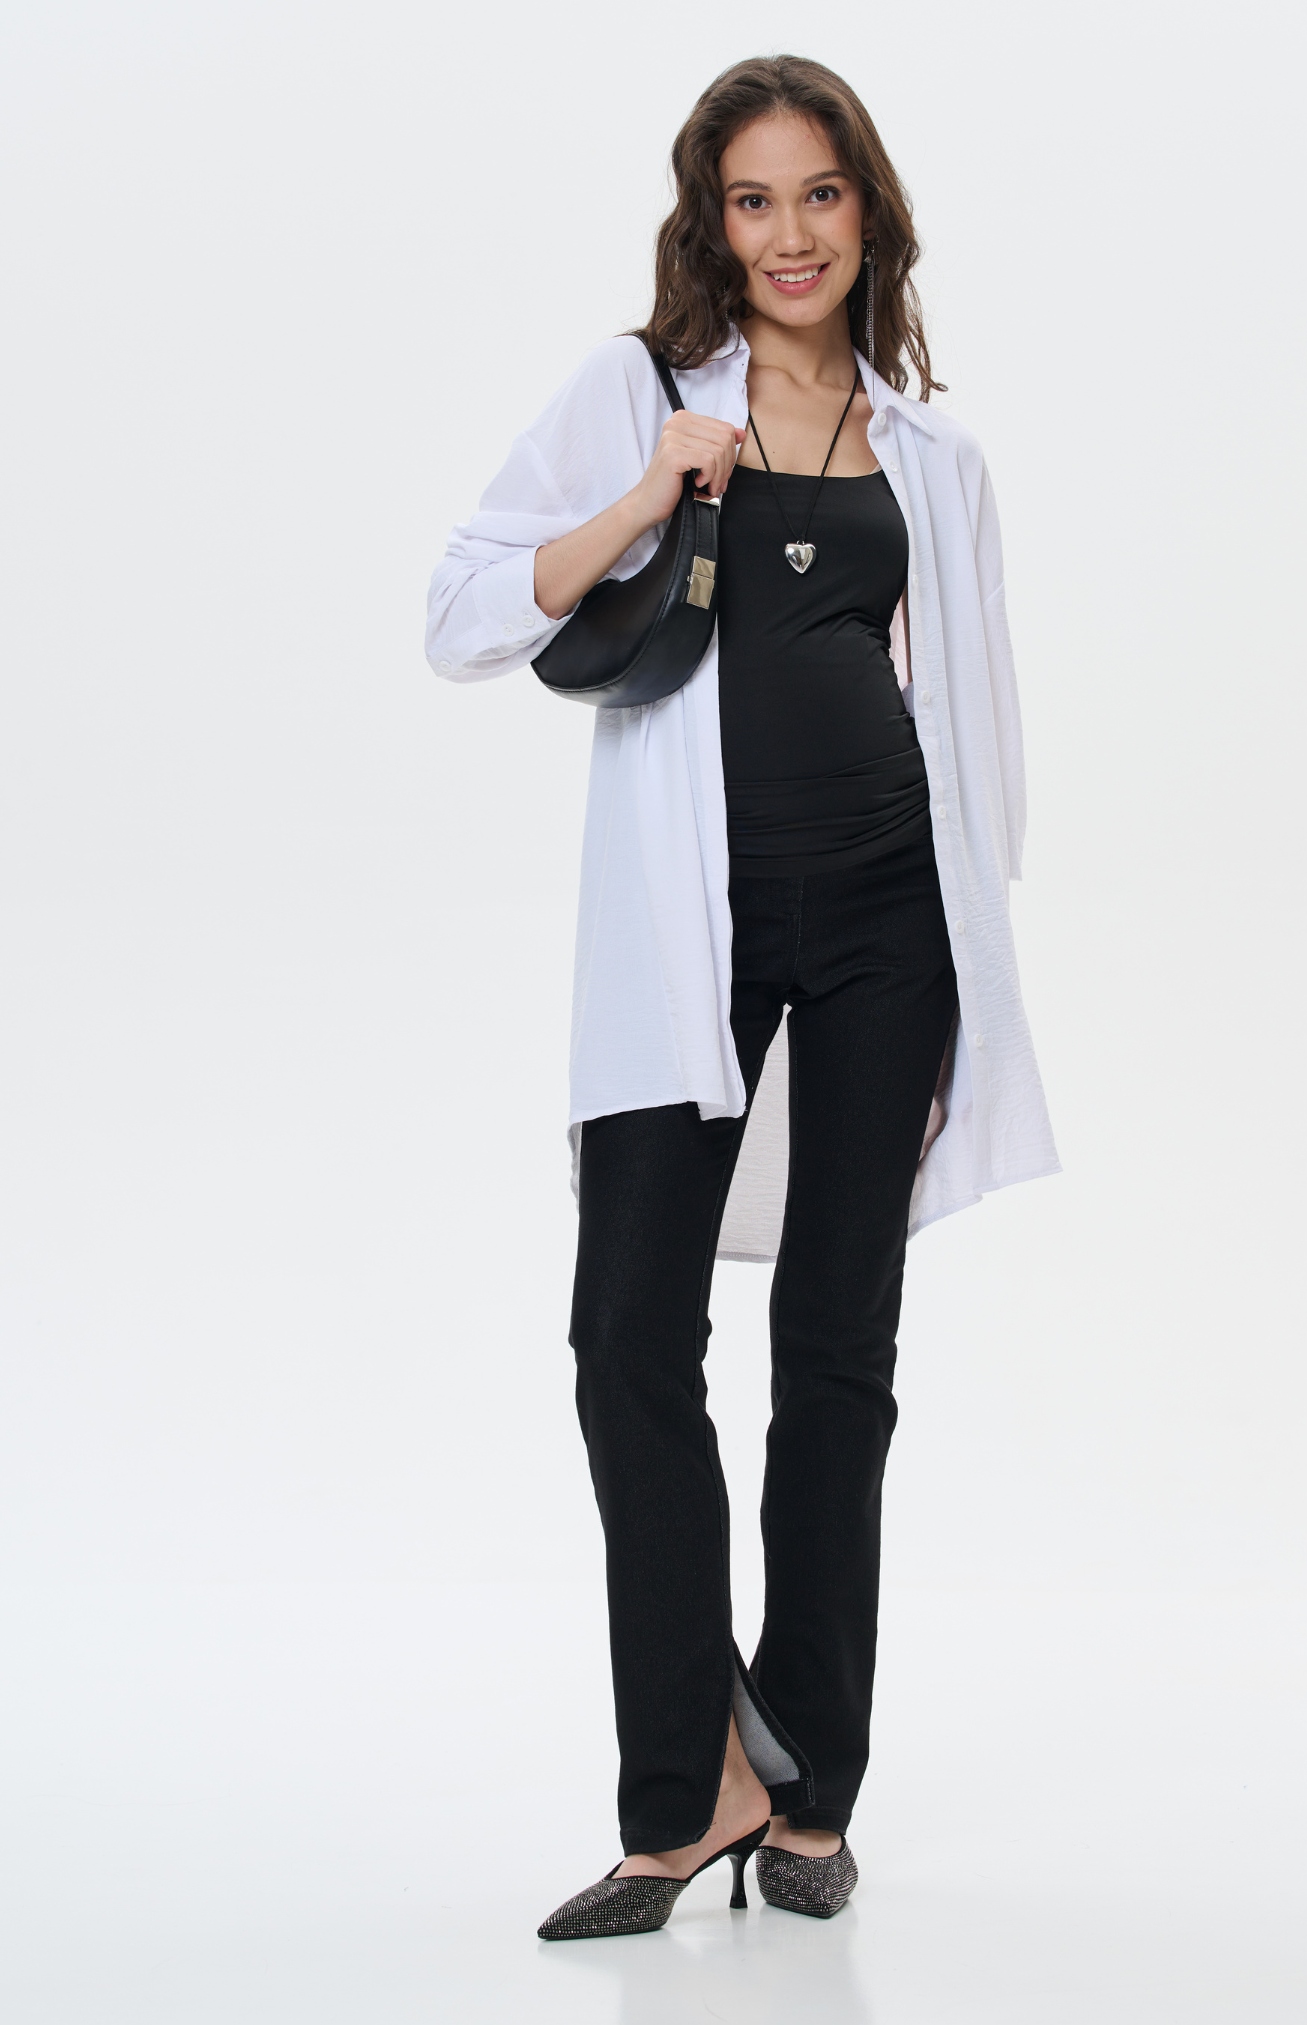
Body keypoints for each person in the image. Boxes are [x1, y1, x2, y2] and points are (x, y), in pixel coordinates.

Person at [425, 54, 1058, 1940]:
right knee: (627, 1337)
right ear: (712, 221)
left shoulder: (931, 456)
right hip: (678, 939)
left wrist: (967, 983)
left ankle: (815, 1793)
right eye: (754, 200)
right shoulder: (639, 391)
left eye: (821, 195)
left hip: (887, 932)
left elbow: (981, 737)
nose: (790, 236)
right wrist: (645, 492)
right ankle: (689, 1781)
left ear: (870, 214)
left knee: (836, 1360)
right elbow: (463, 612)